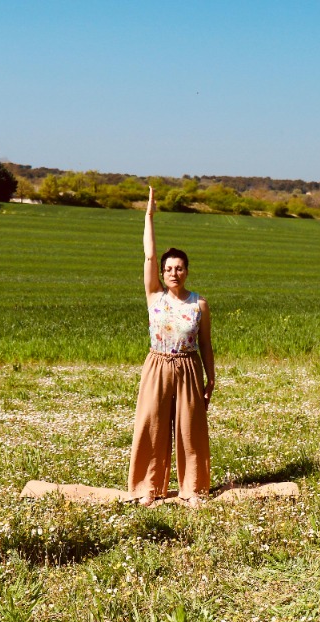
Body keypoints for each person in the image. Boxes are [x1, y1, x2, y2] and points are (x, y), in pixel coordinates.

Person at [127, 187, 215, 507]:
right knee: (151, 425)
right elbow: (149, 254)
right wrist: (149, 216)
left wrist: (211, 377)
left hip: (190, 366)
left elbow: (205, 343)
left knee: (191, 431)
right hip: (157, 366)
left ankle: (193, 489)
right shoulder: (155, 296)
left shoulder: (199, 304)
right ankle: (147, 489)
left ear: (187, 271)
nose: (173, 272)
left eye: (179, 267)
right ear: (162, 273)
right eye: (168, 268)